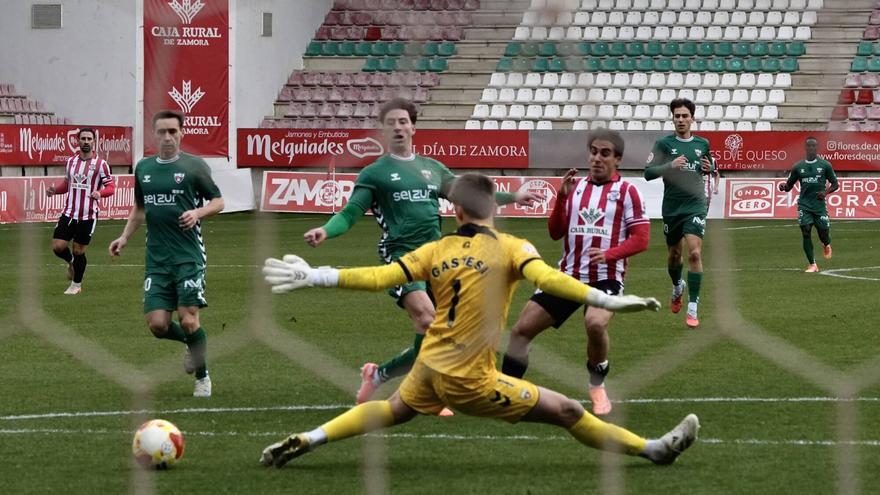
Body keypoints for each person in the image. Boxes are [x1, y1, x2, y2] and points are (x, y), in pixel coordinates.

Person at [260, 173, 698, 469]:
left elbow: (381, 277)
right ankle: (653, 451)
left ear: (456, 213)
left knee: (393, 409)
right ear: (493, 207)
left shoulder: (437, 248)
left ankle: (309, 438)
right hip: (469, 379)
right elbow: (548, 278)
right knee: (566, 410)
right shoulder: (510, 246)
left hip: (430, 366)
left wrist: (314, 275)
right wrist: (609, 300)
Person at [302, 98, 541, 410]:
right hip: (400, 257)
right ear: (384, 131)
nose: (398, 127)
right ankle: (425, 391)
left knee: (442, 331)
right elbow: (349, 214)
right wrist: (325, 230)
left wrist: (514, 196)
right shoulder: (375, 174)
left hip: (437, 258)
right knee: (428, 320)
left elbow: (471, 195)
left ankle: (379, 375)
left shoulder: (432, 169)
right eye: (391, 123)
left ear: (413, 127)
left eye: (403, 121)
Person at [502, 129, 650, 416]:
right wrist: (560, 199)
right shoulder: (577, 188)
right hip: (567, 275)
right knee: (520, 332)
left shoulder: (628, 192)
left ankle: (597, 385)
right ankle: (508, 391)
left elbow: (641, 238)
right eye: (593, 151)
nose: (597, 158)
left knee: (595, 324)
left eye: (604, 153)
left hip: (606, 278)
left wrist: (609, 254)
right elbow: (555, 233)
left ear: (617, 159)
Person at [108, 110, 224, 397]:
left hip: (188, 256)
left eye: (173, 131)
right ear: (154, 135)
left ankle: (203, 377)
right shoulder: (144, 168)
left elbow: (218, 201)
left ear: (182, 133)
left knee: (188, 318)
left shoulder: (195, 166)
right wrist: (123, 237)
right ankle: (189, 341)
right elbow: (140, 208)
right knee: (158, 325)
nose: (168, 137)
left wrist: (198, 212)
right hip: (157, 260)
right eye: (162, 132)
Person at [645, 98, 714, 329]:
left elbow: (709, 166)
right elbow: (648, 173)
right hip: (672, 207)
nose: (681, 120)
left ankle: (693, 307)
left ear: (692, 118)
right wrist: (670, 166)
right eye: (678, 116)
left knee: (694, 253)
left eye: (685, 116)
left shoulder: (703, 143)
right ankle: (677, 287)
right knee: (675, 255)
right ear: (673, 118)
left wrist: (710, 168)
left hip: (695, 204)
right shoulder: (663, 144)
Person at [47, 128, 115, 295]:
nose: (86, 141)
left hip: (88, 215)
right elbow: (66, 185)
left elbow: (111, 187)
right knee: (57, 247)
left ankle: (76, 285)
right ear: (78, 141)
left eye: (89, 139)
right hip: (69, 213)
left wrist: (100, 193)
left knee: (79, 250)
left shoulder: (101, 165)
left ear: (93, 142)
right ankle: (70, 262)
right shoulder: (71, 162)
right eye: (83, 138)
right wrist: (55, 190)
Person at [778, 137, 838, 272]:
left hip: (819, 206)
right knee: (806, 231)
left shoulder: (825, 165)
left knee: (823, 233)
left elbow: (835, 184)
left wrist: (825, 192)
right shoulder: (798, 167)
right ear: (805, 148)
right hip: (804, 205)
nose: (811, 148)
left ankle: (826, 243)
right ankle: (812, 264)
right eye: (809, 146)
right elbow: (789, 185)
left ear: (817, 148)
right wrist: (783, 187)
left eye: (814, 146)